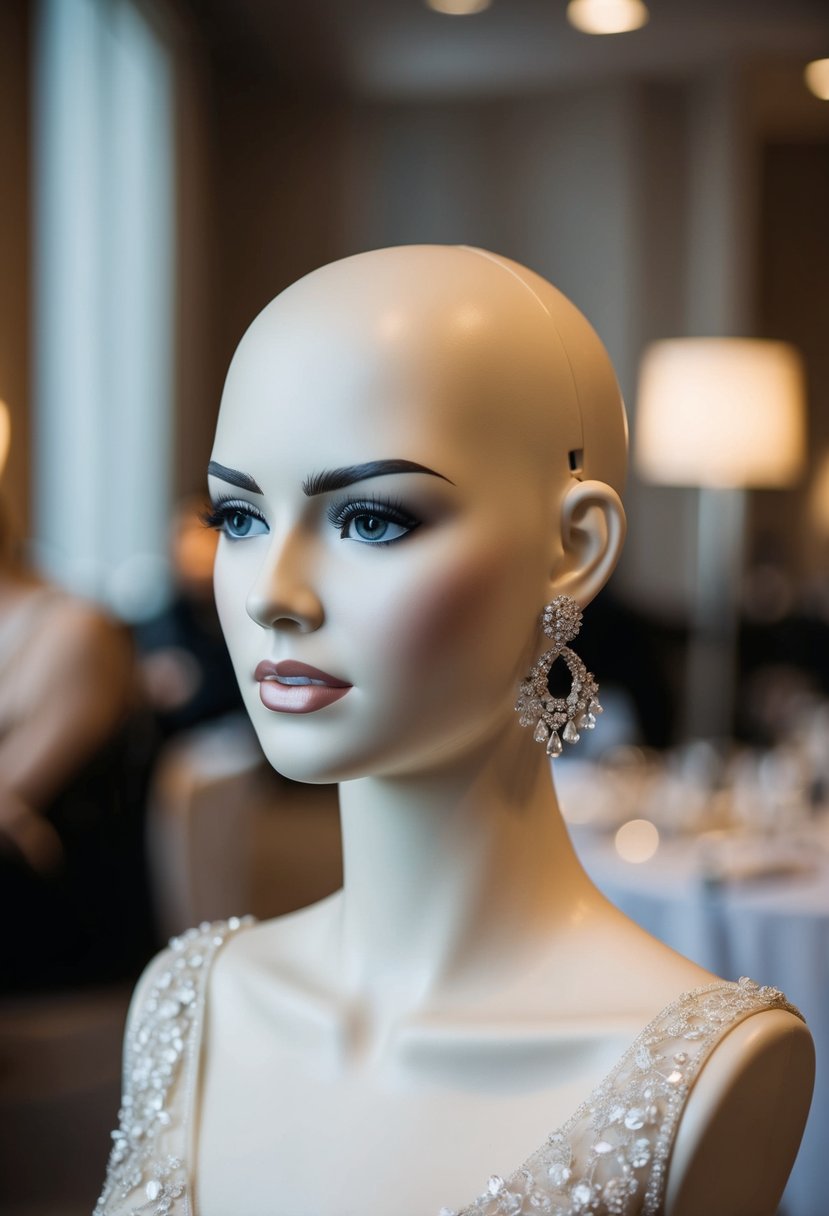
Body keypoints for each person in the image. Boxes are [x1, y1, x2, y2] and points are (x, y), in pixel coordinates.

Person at [96, 247, 813, 1216]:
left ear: (574, 549)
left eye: (371, 519)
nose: (273, 594)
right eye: (238, 515)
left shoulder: (706, 1071)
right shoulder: (188, 1003)